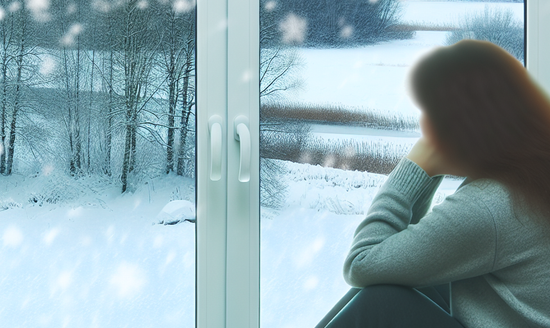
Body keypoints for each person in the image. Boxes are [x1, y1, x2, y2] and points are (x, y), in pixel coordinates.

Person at [325, 40, 550, 327]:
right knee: (405, 280)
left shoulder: (490, 204)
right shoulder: (529, 173)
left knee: (380, 300)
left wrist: (417, 168)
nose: (426, 129)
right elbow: (405, 257)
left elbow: (362, 263)